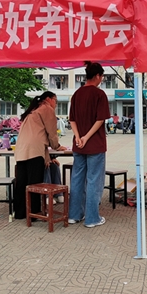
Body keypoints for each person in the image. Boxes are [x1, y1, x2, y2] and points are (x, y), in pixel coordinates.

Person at [68, 61, 111, 228]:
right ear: (98, 76)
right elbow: (100, 120)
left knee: (77, 179)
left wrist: (78, 137)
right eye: (102, 76)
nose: (102, 79)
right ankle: (92, 218)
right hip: (95, 144)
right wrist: (86, 137)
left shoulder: (76, 94)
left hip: (78, 145)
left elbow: (72, 119)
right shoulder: (99, 94)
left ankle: (74, 215)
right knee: (94, 181)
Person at [13, 91, 67, 220]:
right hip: (34, 151)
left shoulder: (33, 110)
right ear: (48, 99)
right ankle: (34, 213)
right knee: (34, 183)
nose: (56, 104)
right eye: (55, 101)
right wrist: (56, 146)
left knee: (22, 182)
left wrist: (48, 157)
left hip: (21, 150)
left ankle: (20, 213)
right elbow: (52, 132)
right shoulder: (46, 109)